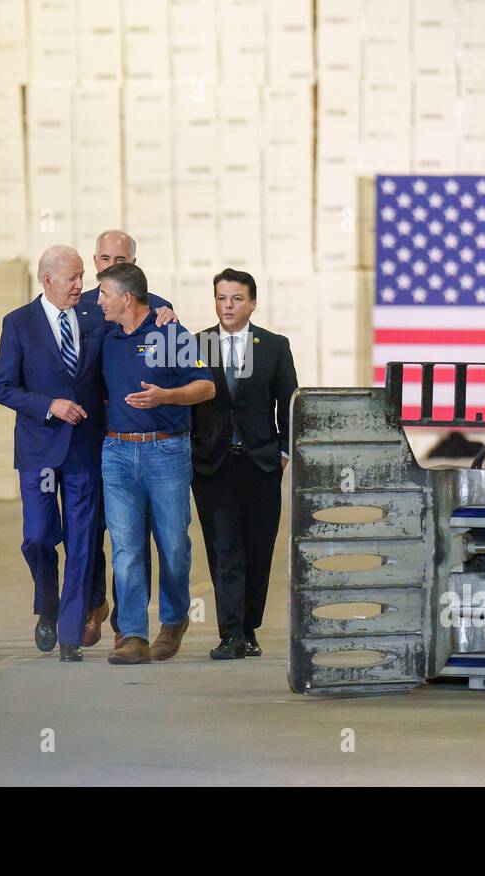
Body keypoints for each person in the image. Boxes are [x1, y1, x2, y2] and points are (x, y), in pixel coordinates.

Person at [0, 246, 108, 662]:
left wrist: (166, 315)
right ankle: (47, 603)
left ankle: (70, 632)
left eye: (83, 277)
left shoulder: (96, 317)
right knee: (39, 536)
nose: (81, 285)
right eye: (73, 278)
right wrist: (49, 405)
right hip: (40, 451)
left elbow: (138, 317)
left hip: (84, 451)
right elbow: (2, 387)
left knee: (82, 541)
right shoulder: (18, 323)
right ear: (47, 280)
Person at [97, 263, 215, 664]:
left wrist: (166, 396)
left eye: (104, 295)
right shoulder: (106, 336)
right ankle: (133, 635)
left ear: (126, 298)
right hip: (116, 453)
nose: (98, 301)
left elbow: (206, 386)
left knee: (173, 544)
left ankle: (174, 619)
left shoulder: (170, 333)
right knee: (126, 548)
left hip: (165, 451)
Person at [190, 269, 297, 659]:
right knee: (224, 549)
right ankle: (230, 633)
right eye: (221, 298)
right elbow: (187, 404)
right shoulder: (195, 345)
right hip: (212, 465)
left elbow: (289, 403)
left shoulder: (273, 346)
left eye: (236, 299)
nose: (228, 306)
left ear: (252, 303)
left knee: (257, 549)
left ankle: (249, 627)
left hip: (260, 465)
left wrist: (284, 452)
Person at [78, 230, 175, 649]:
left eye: (120, 257)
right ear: (93, 259)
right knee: (89, 528)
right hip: (86, 432)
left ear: (134, 261)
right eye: (104, 257)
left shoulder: (159, 309)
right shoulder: (80, 305)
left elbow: (179, 365)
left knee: (134, 534)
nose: (110, 263)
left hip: (135, 434)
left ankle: (127, 624)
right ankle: (93, 604)